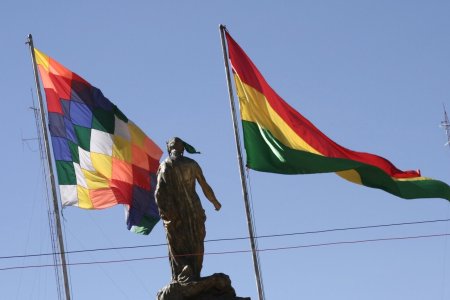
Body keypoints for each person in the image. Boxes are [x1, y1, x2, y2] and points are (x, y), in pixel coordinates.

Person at [155, 137, 221, 282]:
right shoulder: (192, 164)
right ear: (182, 149)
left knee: (177, 243)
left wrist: (165, 214)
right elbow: (205, 186)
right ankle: (194, 272)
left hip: (175, 212)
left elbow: (159, 193)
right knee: (197, 240)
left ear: (169, 148)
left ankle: (184, 271)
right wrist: (215, 202)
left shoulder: (165, 166)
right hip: (194, 209)